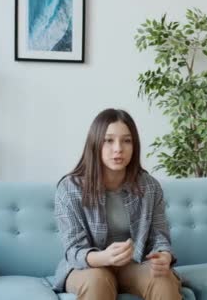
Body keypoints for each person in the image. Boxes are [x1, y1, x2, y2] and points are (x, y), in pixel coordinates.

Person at [51, 108, 182, 300]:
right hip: (88, 267)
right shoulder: (69, 188)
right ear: (95, 144)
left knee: (161, 279)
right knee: (98, 280)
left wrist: (164, 256)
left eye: (126, 141)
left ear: (134, 145)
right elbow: (74, 250)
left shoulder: (150, 187)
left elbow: (160, 238)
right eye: (109, 140)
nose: (118, 148)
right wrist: (104, 257)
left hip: (134, 265)